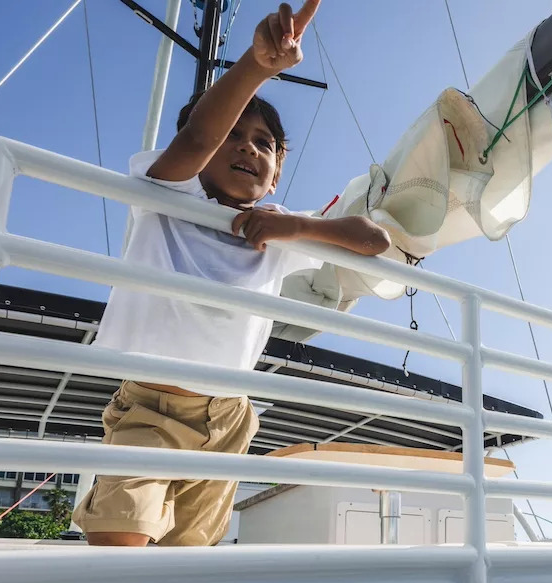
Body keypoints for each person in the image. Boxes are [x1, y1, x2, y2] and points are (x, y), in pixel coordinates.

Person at [72, 0, 391, 548]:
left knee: (189, 551)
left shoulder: (277, 230)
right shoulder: (164, 193)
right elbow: (196, 141)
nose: (247, 146)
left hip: (229, 417)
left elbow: (374, 240)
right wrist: (258, 66)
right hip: (150, 405)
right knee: (117, 545)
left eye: (265, 143)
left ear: (276, 174)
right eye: (232, 135)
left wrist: (295, 227)